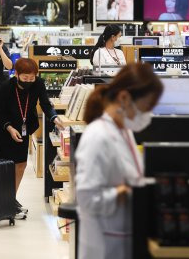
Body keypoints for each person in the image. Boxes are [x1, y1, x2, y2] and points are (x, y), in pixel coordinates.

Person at [75, 63, 163, 259]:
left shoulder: (124, 131)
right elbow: (87, 199)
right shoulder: (97, 136)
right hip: (105, 245)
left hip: (125, 238)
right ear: (124, 98)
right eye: (146, 107)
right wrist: (120, 193)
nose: (148, 115)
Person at [0, 58, 64, 216]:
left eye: (32, 78)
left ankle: (10, 200)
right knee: (5, 166)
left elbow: (45, 103)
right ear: (16, 74)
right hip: (5, 129)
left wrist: (54, 118)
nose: (29, 81)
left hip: (23, 129)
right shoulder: (6, 87)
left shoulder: (38, 84)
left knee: (21, 164)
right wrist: (9, 128)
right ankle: (1, 202)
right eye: (25, 78)